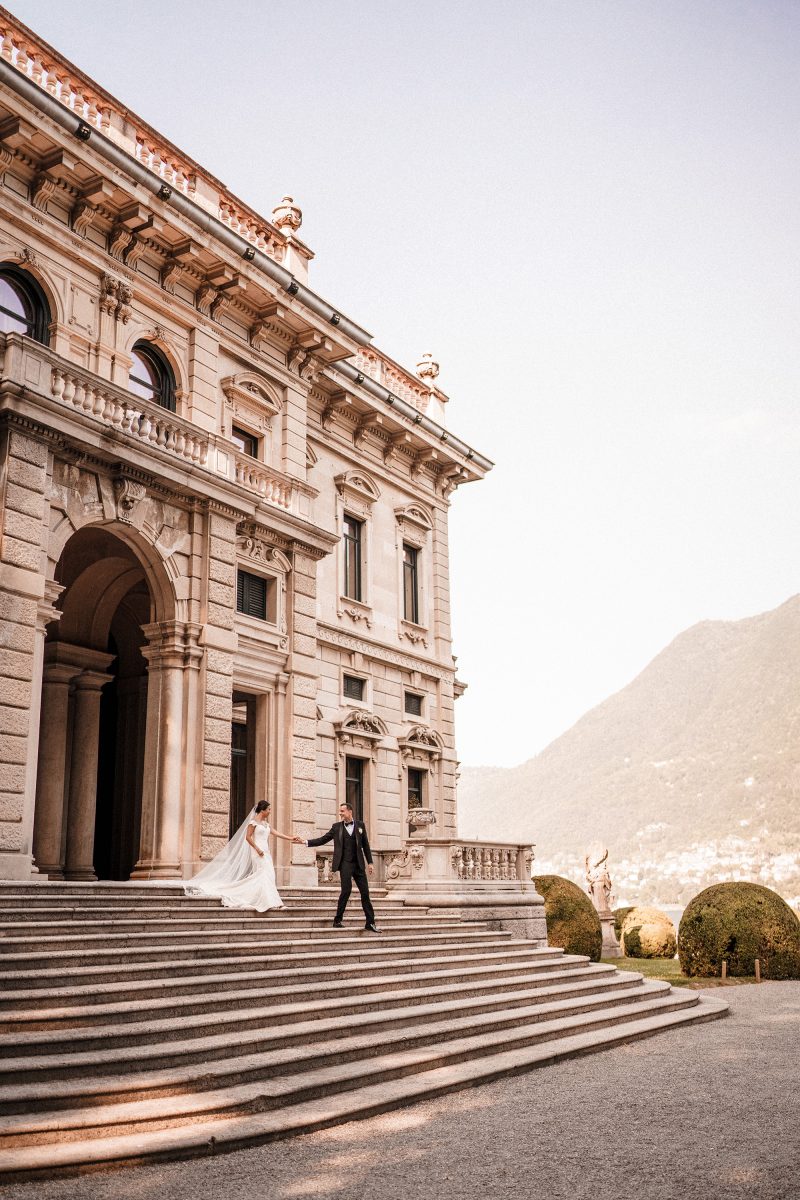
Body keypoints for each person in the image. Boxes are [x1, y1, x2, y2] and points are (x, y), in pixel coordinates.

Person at [184, 800, 292, 912]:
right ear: (262, 810)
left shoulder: (266, 824)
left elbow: (276, 833)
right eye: (269, 809)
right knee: (264, 874)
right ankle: (275, 902)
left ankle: (268, 900)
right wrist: (257, 849)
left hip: (266, 852)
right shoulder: (253, 823)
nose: (270, 811)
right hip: (258, 852)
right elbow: (248, 837)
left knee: (269, 875)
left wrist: (291, 838)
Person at [295, 802, 379, 931]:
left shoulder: (360, 825)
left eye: (342, 811)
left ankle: (370, 923)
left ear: (350, 812)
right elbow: (323, 839)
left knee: (365, 893)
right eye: (340, 811)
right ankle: (337, 920)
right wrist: (306, 842)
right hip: (345, 864)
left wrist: (370, 863)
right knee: (346, 891)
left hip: (359, 864)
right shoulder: (336, 827)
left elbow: (365, 845)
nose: (340, 813)